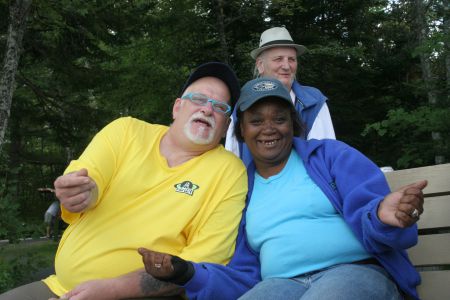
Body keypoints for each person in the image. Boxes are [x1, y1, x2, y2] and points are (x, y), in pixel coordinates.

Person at [139, 77, 427, 300]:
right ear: (241, 131)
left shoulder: (330, 157)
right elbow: (242, 275)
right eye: (256, 121)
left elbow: (374, 215)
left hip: (354, 272)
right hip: (279, 285)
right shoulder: (241, 186)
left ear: (293, 124)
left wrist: (381, 216)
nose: (269, 128)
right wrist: (187, 272)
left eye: (279, 118)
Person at [0, 62, 248, 300]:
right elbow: (91, 179)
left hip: (142, 294)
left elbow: (199, 266)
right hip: (61, 286)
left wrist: (113, 288)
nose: (207, 109)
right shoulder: (126, 131)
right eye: (199, 99)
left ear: (226, 124)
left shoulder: (229, 171)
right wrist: (82, 193)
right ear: (177, 107)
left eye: (220, 107)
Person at [225, 26, 336, 160]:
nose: (286, 66)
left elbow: (326, 157)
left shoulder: (313, 102)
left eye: (291, 59)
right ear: (260, 65)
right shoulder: (242, 104)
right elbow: (232, 157)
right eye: (278, 59)